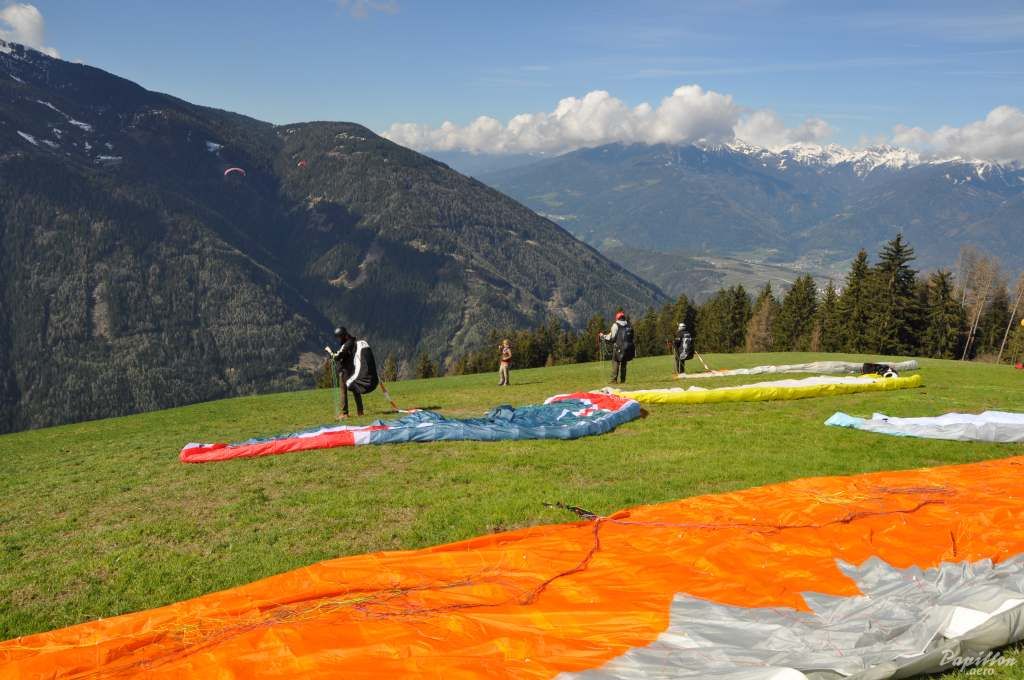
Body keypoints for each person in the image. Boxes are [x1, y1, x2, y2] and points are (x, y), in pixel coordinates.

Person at [329, 326, 379, 418]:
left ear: (342, 336)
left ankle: (344, 413)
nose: (338, 339)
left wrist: (330, 352)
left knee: (343, 391)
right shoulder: (353, 341)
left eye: (339, 337)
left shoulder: (346, 344)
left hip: (345, 371)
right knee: (356, 390)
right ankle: (360, 411)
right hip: (353, 370)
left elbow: (338, 356)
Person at [600, 311, 635, 384]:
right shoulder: (628, 325)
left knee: (615, 362)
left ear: (617, 318)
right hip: (627, 348)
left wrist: (603, 336)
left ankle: (614, 380)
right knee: (624, 363)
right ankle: (623, 380)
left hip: (618, 348)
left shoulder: (615, 325)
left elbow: (612, 338)